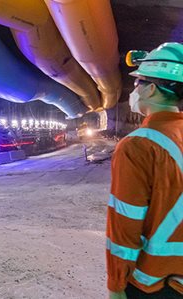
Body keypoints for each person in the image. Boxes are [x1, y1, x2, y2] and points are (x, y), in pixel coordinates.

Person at [107, 42, 183, 299]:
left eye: (138, 83)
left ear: (151, 88)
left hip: (155, 286)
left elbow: (124, 225)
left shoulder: (137, 146)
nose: (134, 90)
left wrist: (116, 285)